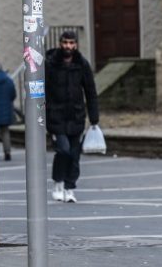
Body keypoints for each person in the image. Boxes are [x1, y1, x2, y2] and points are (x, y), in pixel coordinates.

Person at [45, 31, 99, 204]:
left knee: (74, 155)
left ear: (76, 44)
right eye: (65, 42)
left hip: (76, 116)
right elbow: (42, 90)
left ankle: (70, 188)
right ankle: (58, 183)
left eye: (71, 43)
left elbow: (90, 92)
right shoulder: (50, 64)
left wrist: (94, 118)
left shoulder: (82, 64)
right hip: (56, 116)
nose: (68, 46)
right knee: (63, 150)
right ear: (60, 43)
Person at [0, 65, 17, 162]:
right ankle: (7, 152)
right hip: (6, 110)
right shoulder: (9, 81)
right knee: (5, 132)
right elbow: (13, 95)